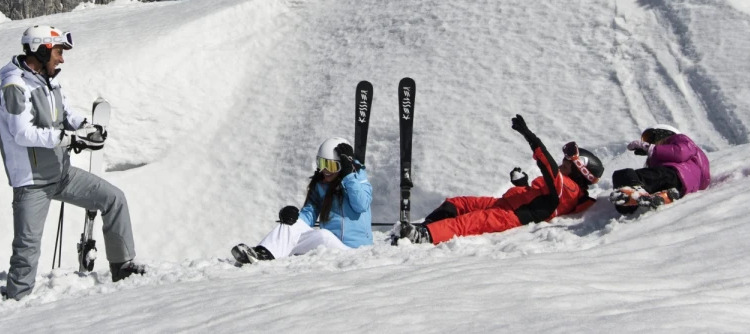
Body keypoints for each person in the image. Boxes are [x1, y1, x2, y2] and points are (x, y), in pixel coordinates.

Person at [0, 25, 145, 299]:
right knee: (27, 249)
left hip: (62, 174)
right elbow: (21, 133)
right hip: (32, 183)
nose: (62, 59)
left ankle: (122, 266)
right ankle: (15, 303)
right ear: (41, 50)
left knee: (114, 199)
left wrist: (85, 127)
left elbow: (65, 112)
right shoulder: (14, 86)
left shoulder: (48, 80)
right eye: (59, 52)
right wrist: (69, 139)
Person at [396, 114, 603, 244]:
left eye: (567, 164)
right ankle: (424, 227)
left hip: (510, 216)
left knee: (465, 223)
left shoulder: (571, 189)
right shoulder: (561, 186)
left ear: (579, 172)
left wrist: (532, 138)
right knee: (458, 203)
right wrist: (521, 185)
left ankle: (423, 236)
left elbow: (547, 167)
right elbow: (534, 196)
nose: (561, 164)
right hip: (504, 205)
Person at [232, 137, 373, 263]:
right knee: (290, 224)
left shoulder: (359, 181)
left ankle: (270, 253)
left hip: (354, 251)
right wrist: (293, 218)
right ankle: (261, 254)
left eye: (331, 165)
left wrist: (349, 177)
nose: (325, 170)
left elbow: (361, 205)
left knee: (323, 235)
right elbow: (309, 215)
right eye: (321, 163)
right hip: (331, 248)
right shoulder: (321, 186)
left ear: (343, 166)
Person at [610, 124, 710, 213]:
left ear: (663, 133)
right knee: (625, 181)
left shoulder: (680, 139)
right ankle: (664, 196)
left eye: (650, 137)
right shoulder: (659, 156)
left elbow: (681, 152)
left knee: (623, 174)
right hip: (679, 185)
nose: (649, 142)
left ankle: (635, 195)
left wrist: (650, 148)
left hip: (674, 174)